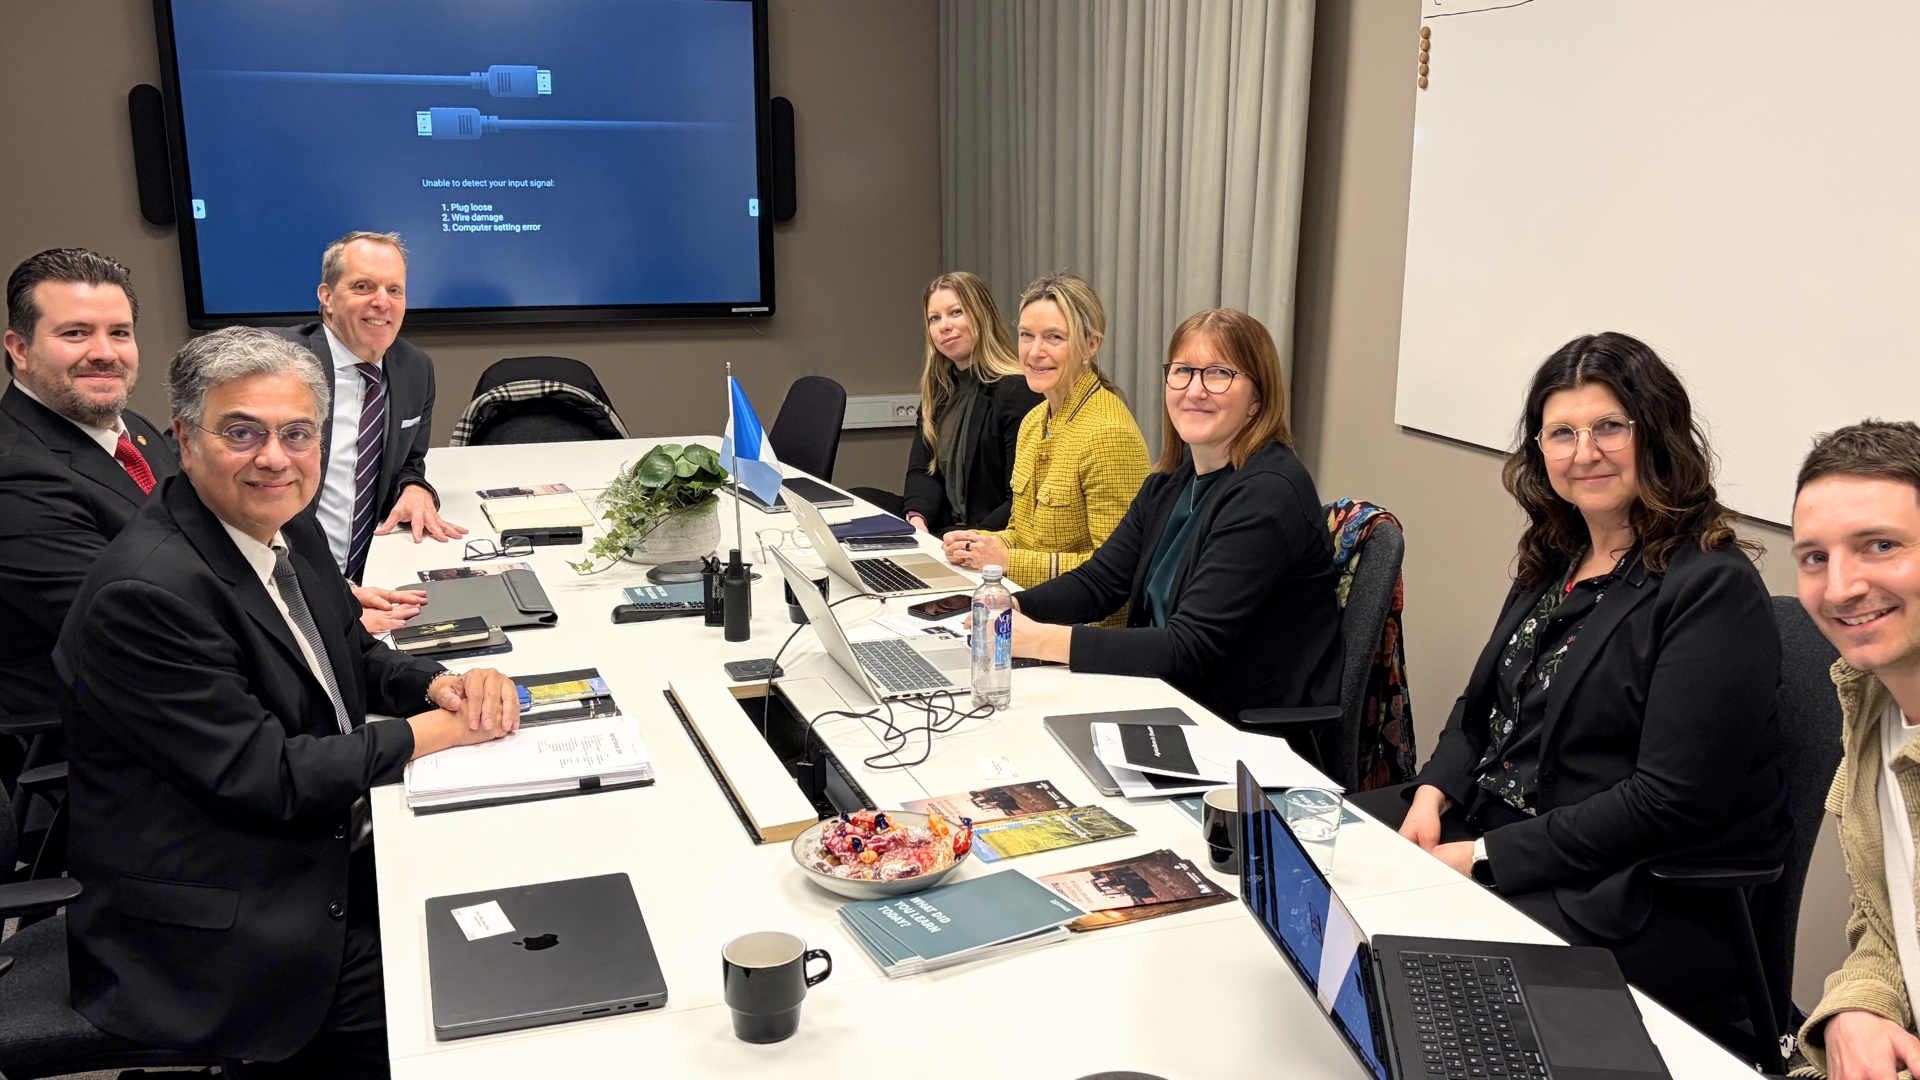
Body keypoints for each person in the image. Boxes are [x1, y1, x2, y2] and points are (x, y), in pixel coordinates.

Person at [54, 326, 519, 1075]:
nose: (275, 458)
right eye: (242, 433)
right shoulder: (147, 594)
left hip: (314, 848)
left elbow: (352, 648)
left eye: (297, 434)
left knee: (510, 889)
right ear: (184, 439)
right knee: (482, 1005)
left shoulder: (281, 522)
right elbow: (271, 776)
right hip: (224, 929)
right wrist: (438, 731)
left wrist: (437, 684)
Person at [1348, 331, 1789, 1045]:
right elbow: (1479, 711)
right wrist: (1432, 795)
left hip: (1623, 888)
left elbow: (1668, 802)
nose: (1585, 452)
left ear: (1657, 435)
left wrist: (1480, 859)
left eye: (1609, 426)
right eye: (1562, 432)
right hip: (1491, 822)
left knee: (1398, 966)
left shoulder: (1712, 589)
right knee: (1321, 857)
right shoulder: (1558, 557)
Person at [1000, 308, 1341, 722]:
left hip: (1230, 724)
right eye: (1182, 371)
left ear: (1258, 399)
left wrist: (1040, 640)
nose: (1195, 390)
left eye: (1219, 374)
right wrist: (1009, 606)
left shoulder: (1268, 494)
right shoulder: (1173, 480)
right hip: (1160, 694)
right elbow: (1100, 582)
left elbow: (1189, 647)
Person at [0, 248, 177, 741]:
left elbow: (200, 544)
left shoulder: (131, 430)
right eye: (76, 333)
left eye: (119, 332)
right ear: (19, 348)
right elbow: (131, 625)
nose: (104, 352)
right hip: (104, 727)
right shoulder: (13, 472)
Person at [1789, 420, 1920, 1080]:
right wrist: (1857, 1006)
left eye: (1880, 546)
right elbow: (1889, 919)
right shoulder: (1871, 704)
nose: (1839, 588)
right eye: (1815, 557)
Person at [270, 231, 465, 585]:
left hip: (377, 573)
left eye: (394, 290)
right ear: (327, 297)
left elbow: (409, 463)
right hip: (285, 576)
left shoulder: (415, 369)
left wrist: (415, 489)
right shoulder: (275, 362)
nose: (382, 302)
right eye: (363, 287)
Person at [943, 273, 1149, 594]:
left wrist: (1007, 560)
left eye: (1054, 337)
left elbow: (1116, 570)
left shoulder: (1108, 433)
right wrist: (978, 543)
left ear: (1091, 345)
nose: (1035, 351)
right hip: (1027, 599)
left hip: (1080, 619)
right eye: (1026, 335)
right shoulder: (1034, 421)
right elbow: (1023, 535)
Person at [899, 271, 1043, 533]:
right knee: (863, 499)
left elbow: (1019, 500)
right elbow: (923, 470)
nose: (944, 326)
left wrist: (969, 540)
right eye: (934, 318)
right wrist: (918, 522)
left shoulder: (1017, 390)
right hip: (942, 524)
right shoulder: (939, 390)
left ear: (982, 315)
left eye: (956, 312)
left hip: (988, 532)